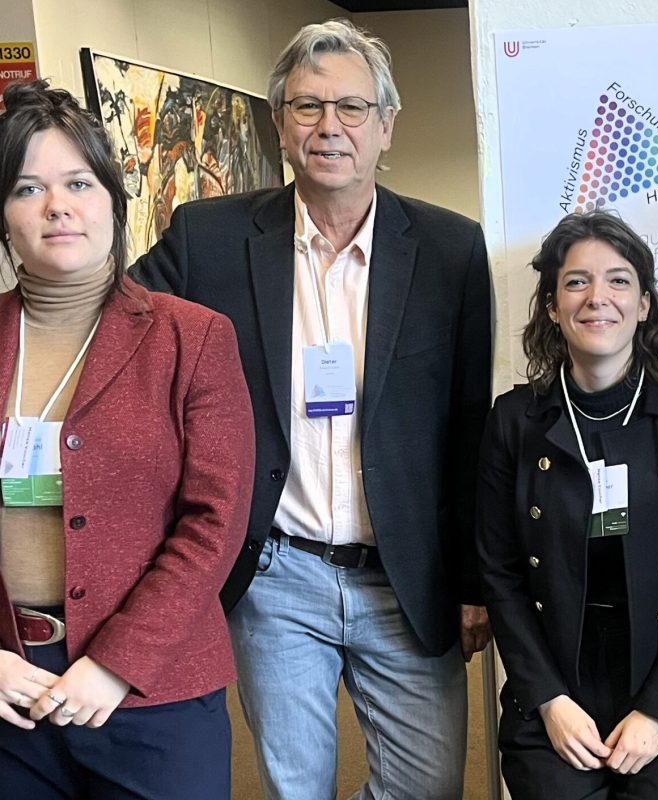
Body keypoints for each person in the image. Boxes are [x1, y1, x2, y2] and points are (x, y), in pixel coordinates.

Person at [130, 18, 493, 800]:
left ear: (387, 125)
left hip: (406, 577)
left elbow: (470, 423)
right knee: (296, 787)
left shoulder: (450, 249)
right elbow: (116, 324)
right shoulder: (211, 238)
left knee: (427, 787)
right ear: (279, 124)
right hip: (276, 573)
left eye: (352, 108)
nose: (330, 127)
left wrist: (473, 578)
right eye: (307, 107)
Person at [0, 80, 253, 798]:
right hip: (9, 688)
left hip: (153, 693)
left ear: (114, 197)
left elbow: (216, 522)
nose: (57, 206)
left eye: (78, 182)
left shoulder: (192, 337)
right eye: (27, 188)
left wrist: (115, 661)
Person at [477, 211, 658, 799]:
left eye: (619, 280)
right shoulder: (514, 421)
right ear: (551, 306)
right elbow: (501, 574)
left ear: (645, 304)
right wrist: (547, 701)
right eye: (576, 282)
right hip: (553, 679)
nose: (598, 298)